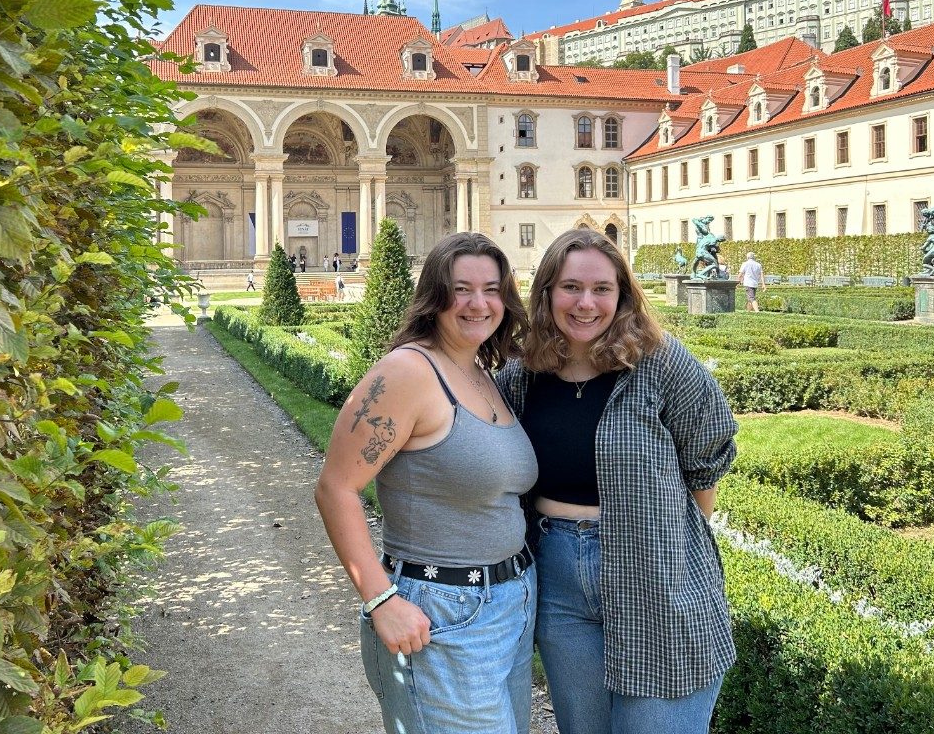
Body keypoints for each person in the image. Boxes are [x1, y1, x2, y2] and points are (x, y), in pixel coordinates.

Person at [496, 228, 738, 734]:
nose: (586, 303)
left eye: (602, 289)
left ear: (622, 295)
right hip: (558, 578)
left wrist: (668, 543)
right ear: (546, 293)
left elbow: (707, 457)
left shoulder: (661, 364)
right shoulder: (522, 374)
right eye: (570, 287)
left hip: (655, 572)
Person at [316, 233, 537, 734]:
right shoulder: (407, 373)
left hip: (511, 601)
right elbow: (335, 488)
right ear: (435, 297)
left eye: (491, 289)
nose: (478, 303)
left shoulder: (480, 370)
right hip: (442, 612)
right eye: (461, 289)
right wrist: (379, 600)